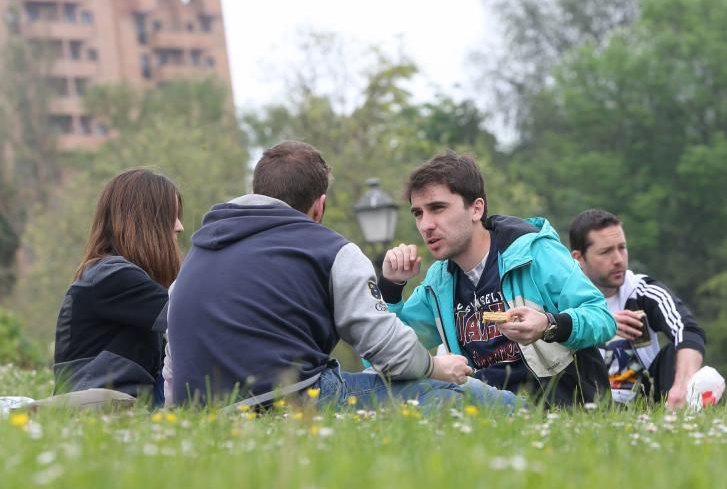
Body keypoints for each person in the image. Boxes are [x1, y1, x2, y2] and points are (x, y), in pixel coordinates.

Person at [166, 141, 518, 410]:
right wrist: (436, 367)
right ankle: (524, 414)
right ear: (319, 205)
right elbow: (390, 354)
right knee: (456, 395)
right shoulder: (328, 250)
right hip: (291, 400)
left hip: (199, 411)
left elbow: (173, 358)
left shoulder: (196, 259)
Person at [379, 152, 615, 407]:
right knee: (385, 390)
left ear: (476, 208)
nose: (426, 225)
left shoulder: (534, 252)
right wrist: (390, 288)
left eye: (437, 208)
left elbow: (602, 318)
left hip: (561, 408)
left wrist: (548, 325)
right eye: (418, 213)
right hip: (486, 415)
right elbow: (384, 357)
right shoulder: (437, 284)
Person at [53, 168, 184, 404]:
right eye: (171, 216)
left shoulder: (107, 275)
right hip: (97, 406)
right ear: (146, 222)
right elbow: (188, 318)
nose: (179, 227)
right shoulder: (112, 276)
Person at [569, 209, 719, 408]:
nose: (618, 260)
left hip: (648, 399)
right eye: (606, 252)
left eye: (622, 248)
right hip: (585, 401)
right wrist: (600, 325)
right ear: (579, 258)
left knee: (681, 353)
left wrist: (683, 385)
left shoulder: (643, 291)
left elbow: (688, 330)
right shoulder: (565, 301)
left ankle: (678, 405)